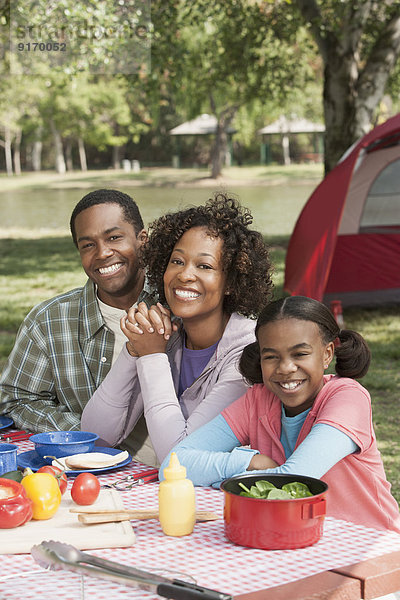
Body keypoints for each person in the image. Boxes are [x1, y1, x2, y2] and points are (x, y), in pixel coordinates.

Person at [160, 295, 400, 533]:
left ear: (327, 354)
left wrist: (216, 476)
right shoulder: (258, 399)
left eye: (300, 354)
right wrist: (249, 462)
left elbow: (294, 479)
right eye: (272, 356)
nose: (285, 368)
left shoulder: (347, 397)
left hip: (370, 545)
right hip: (295, 540)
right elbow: (173, 465)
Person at [81, 193, 274, 465]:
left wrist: (151, 357)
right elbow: (95, 437)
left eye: (204, 266)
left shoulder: (248, 354)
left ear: (230, 282)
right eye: (177, 261)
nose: (185, 275)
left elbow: (178, 458)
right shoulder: (166, 336)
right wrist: (134, 349)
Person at [0, 189, 158, 465]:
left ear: (142, 240)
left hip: (178, 470)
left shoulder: (179, 307)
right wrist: (85, 437)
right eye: (88, 245)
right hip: (92, 470)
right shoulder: (49, 321)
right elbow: (16, 399)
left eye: (114, 237)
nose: (103, 253)